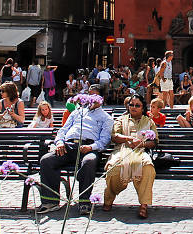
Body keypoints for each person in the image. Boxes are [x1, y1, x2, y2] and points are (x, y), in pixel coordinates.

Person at [37, 85, 113, 214]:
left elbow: (104, 141)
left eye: (94, 96)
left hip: (88, 148)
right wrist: (60, 142)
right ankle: (50, 201)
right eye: (89, 95)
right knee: (46, 160)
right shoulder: (77, 112)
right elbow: (63, 130)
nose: (91, 99)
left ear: (102, 99)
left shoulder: (106, 118)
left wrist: (91, 147)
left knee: (89, 162)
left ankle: (84, 202)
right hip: (68, 146)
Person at [102, 94, 158, 218]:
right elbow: (114, 136)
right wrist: (129, 138)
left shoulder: (148, 122)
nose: (133, 107)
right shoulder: (121, 120)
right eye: (131, 104)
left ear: (143, 108)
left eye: (137, 105)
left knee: (148, 167)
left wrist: (142, 143)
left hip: (140, 152)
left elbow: (154, 141)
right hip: (121, 150)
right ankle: (108, 199)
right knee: (114, 167)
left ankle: (144, 205)